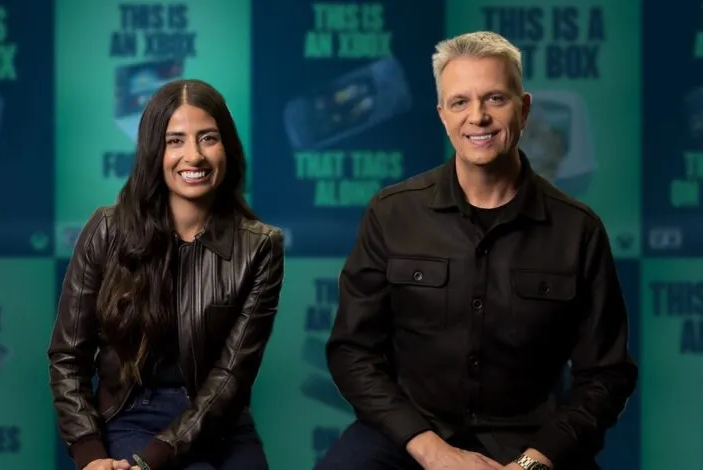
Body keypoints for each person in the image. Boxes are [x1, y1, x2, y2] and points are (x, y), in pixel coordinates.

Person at [317, 31, 638, 470]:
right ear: (442, 116)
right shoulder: (392, 213)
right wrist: (433, 452)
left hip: (532, 442)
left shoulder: (578, 229)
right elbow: (352, 352)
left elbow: (606, 375)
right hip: (409, 435)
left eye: (495, 99)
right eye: (460, 102)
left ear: (523, 109)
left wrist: (534, 463)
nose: (478, 117)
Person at [48, 79, 285, 470]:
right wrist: (89, 453)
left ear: (227, 147)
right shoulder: (106, 230)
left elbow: (231, 375)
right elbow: (68, 355)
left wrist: (152, 461)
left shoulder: (259, 247)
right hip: (132, 413)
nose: (194, 156)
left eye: (208, 138)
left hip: (220, 419)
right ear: (154, 152)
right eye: (175, 141)